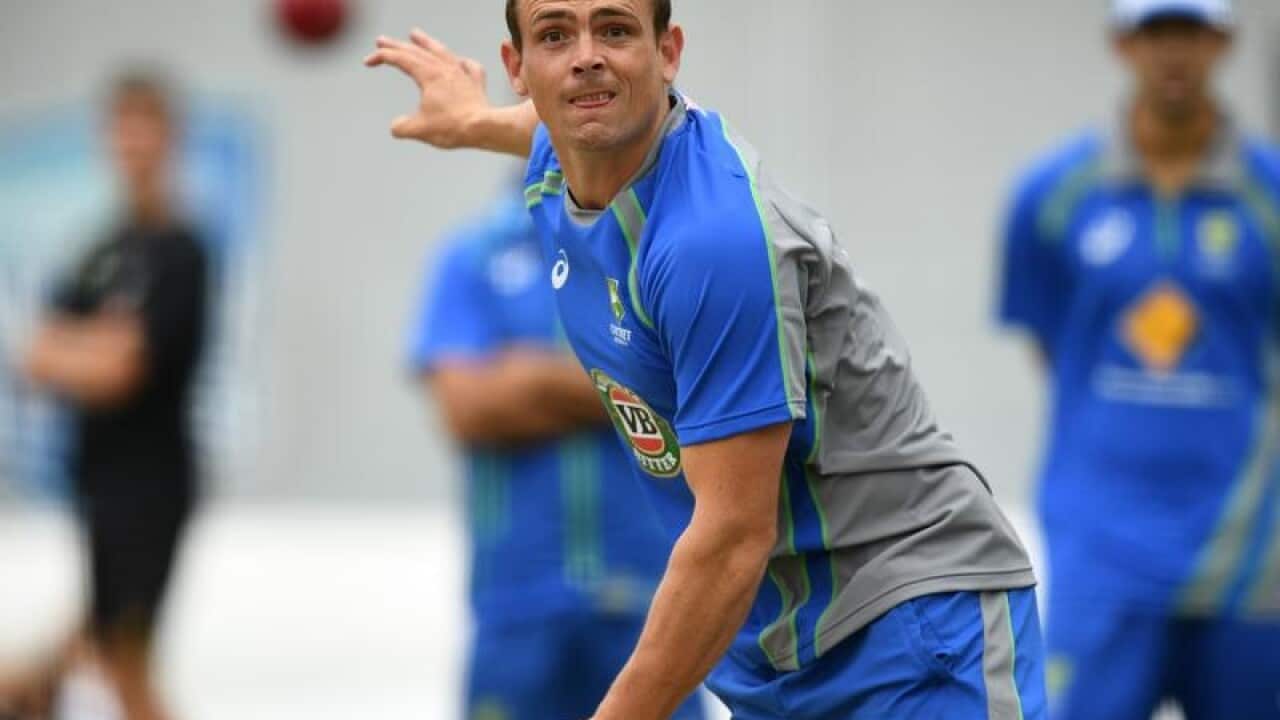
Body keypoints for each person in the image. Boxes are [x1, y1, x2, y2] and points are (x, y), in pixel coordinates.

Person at [366, 2, 1046, 718]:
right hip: (784, 654)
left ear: (669, 53)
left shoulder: (708, 242)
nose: (586, 56)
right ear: (517, 69)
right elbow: (550, 125)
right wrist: (470, 120)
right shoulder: (568, 161)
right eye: (556, 35)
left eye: (616, 29)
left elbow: (730, 539)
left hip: (915, 635)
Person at [996, 1, 1280, 717]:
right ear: (1124, 43)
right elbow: (1052, 346)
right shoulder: (1051, 197)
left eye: (1190, 32)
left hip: (1246, 558)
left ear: (1222, 42)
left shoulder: (1270, 197)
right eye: (1156, 32)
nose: (1173, 53)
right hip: (1102, 557)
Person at [408, 187, 705, 720]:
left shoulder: (665, 252)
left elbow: (694, 392)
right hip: (516, 606)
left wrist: (524, 378)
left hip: (656, 604)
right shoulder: (474, 254)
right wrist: (621, 381)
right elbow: (466, 408)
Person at [4, 71, 208, 720]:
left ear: (170, 139)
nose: (134, 143)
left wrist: (86, 351)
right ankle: (28, 689)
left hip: (152, 490)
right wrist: (89, 346)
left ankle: (28, 686)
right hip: (96, 481)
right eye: (123, 127)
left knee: (126, 664)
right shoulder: (99, 249)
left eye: (147, 127)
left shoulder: (181, 251)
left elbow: (121, 369)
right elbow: (35, 353)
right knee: (88, 651)